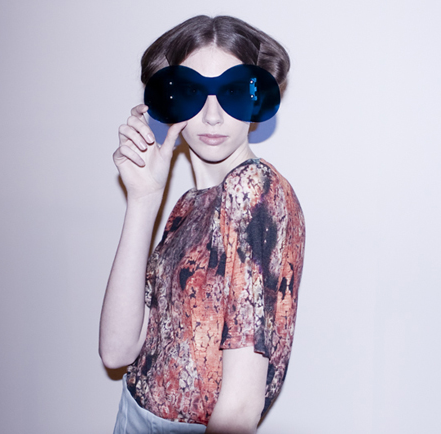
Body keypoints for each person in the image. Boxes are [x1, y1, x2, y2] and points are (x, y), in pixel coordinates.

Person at [99, 15, 305, 434]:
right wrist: (143, 199)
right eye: (193, 92)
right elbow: (117, 351)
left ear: (255, 99)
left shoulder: (255, 191)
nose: (212, 116)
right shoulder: (188, 206)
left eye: (232, 91)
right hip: (131, 415)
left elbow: (240, 407)